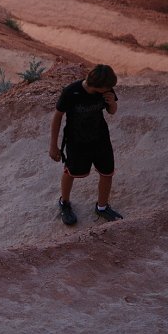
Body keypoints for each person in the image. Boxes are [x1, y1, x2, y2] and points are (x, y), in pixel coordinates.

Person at [49, 64, 123, 225]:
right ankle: (65, 203)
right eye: (107, 87)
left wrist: (112, 103)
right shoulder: (71, 92)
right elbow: (57, 117)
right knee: (71, 171)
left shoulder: (107, 91)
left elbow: (112, 111)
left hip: (100, 138)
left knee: (107, 172)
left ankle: (102, 207)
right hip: (77, 141)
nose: (110, 89)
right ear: (97, 86)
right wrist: (53, 145)